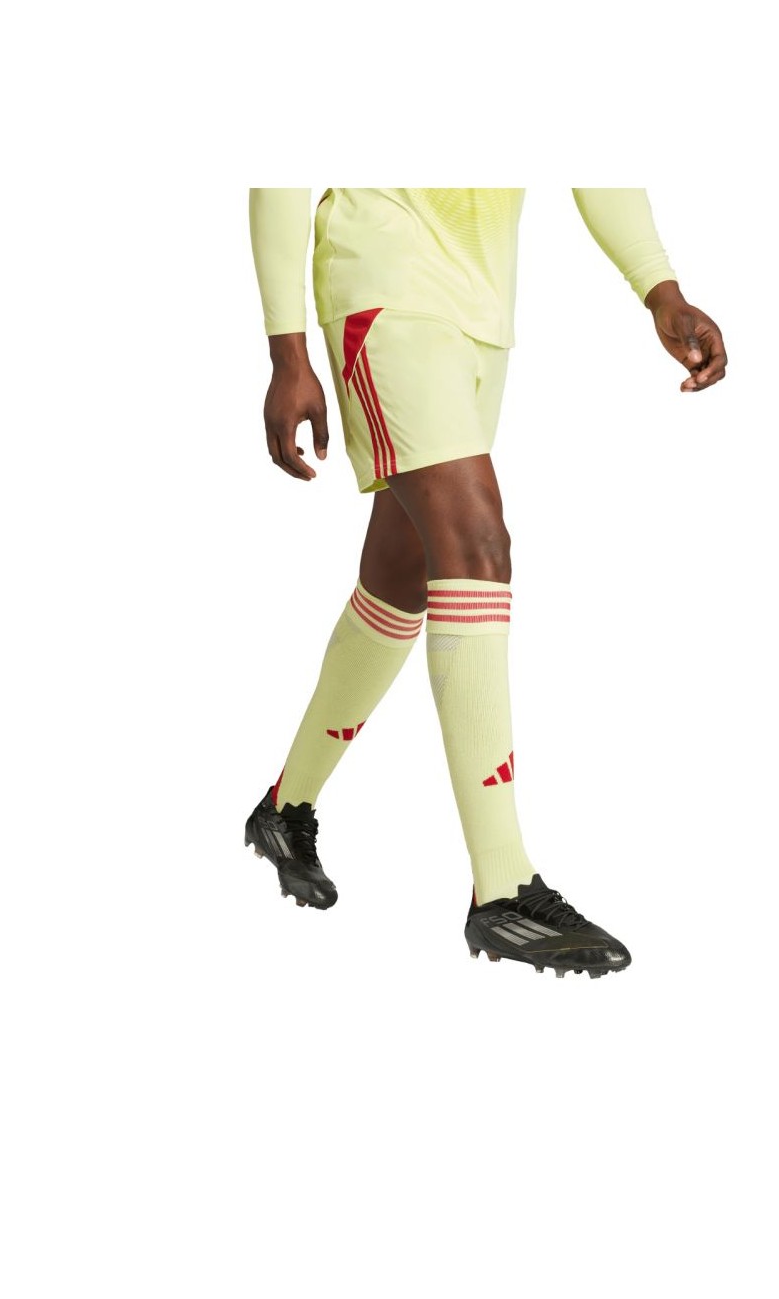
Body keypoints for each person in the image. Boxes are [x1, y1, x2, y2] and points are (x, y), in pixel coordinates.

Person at [244, 187, 727, 979]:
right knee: (477, 545)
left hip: (482, 309)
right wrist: (286, 352)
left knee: (403, 571)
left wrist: (660, 290)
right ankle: (502, 888)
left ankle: (282, 808)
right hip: (383, 285)